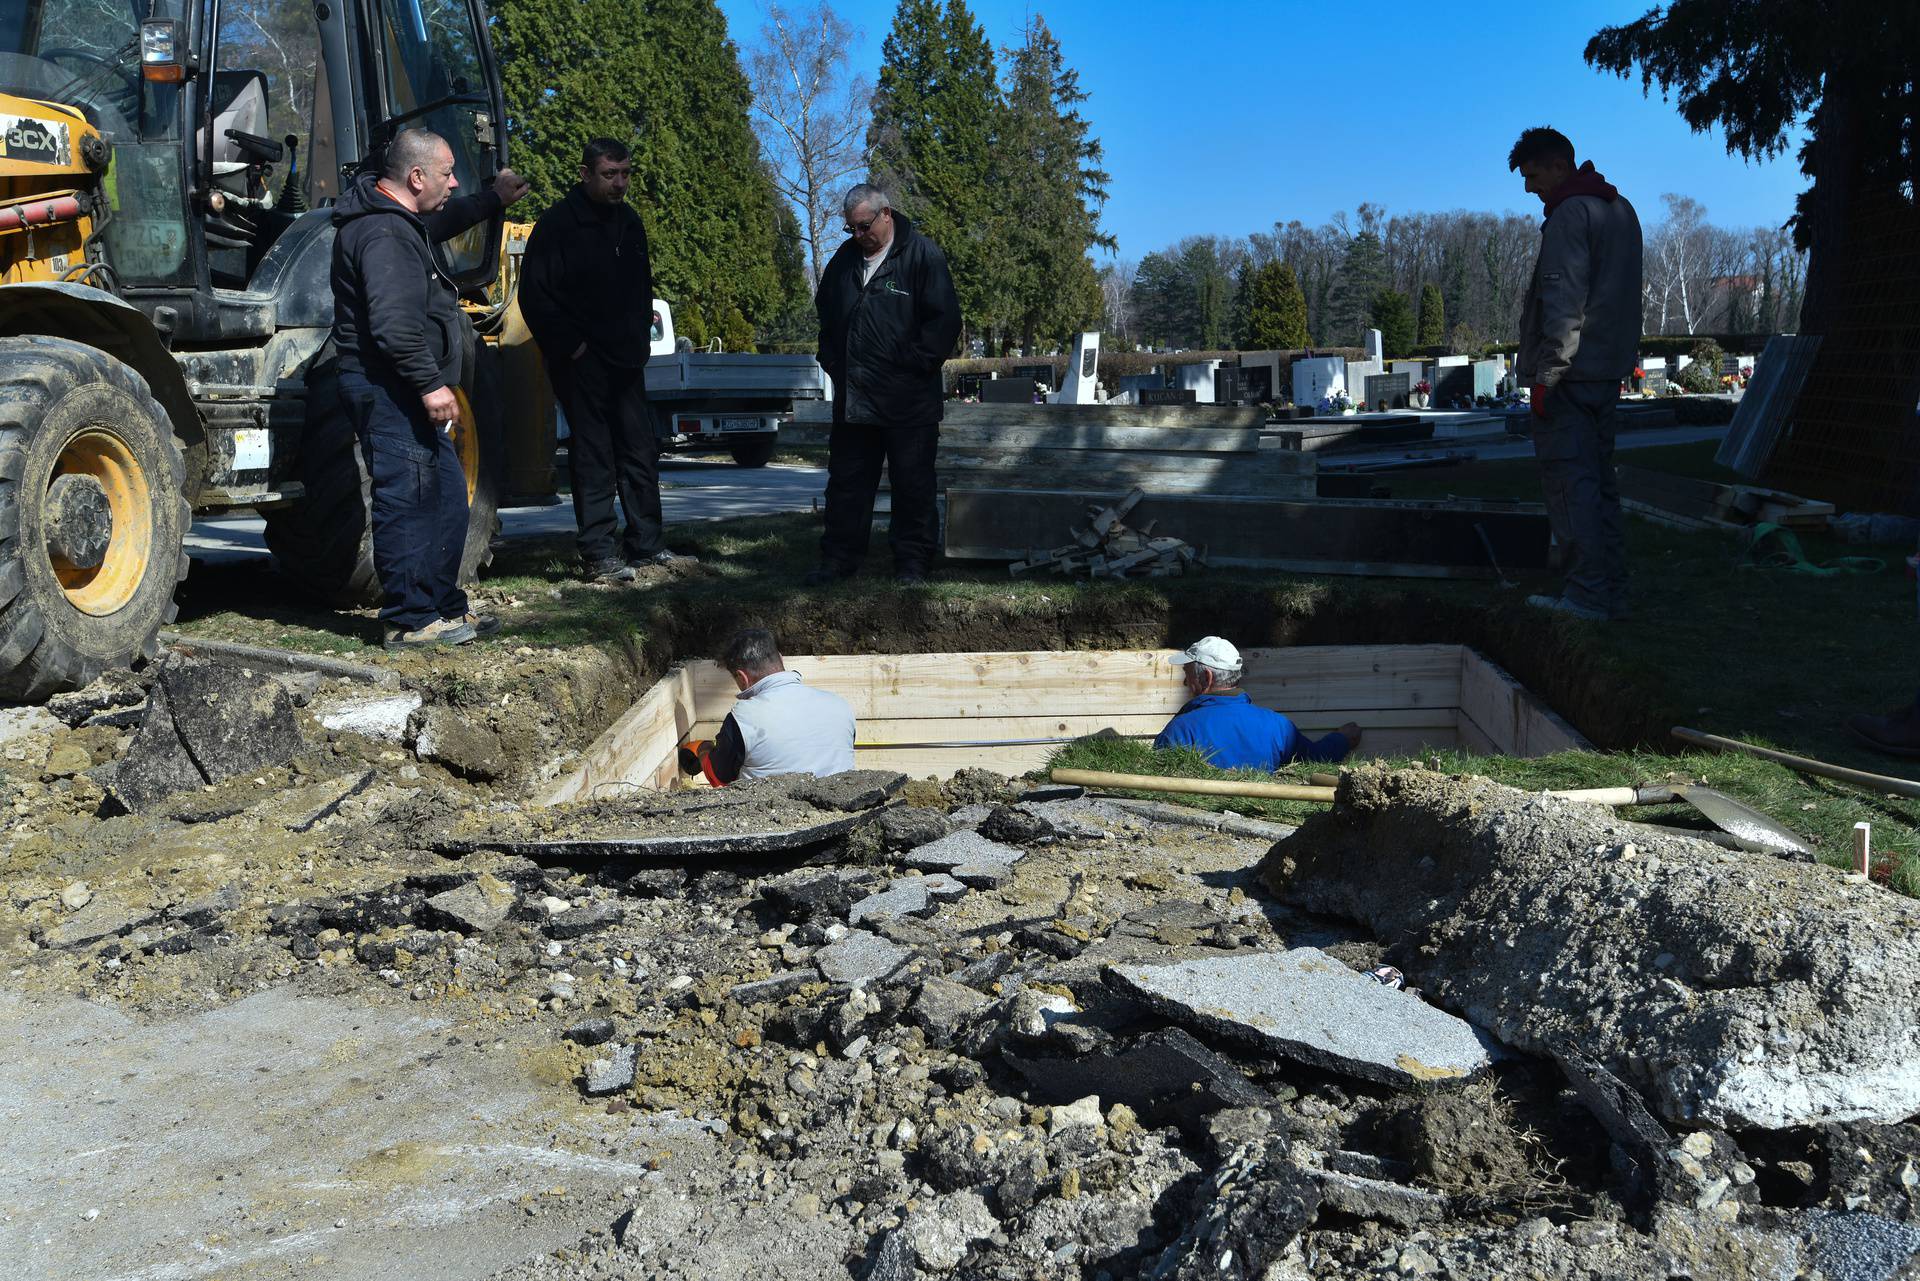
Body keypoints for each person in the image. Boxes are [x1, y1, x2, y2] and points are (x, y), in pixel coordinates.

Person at [330, 128, 529, 648]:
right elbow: (394, 325)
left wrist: (493, 200)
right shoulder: (384, 235)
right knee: (410, 499)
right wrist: (430, 385)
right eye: (446, 173)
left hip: (404, 386)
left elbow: (446, 218)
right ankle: (411, 619)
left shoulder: (402, 223)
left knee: (445, 496)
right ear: (416, 177)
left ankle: (444, 608)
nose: (454, 181)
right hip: (390, 387)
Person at [520, 137, 690, 584]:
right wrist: (571, 347)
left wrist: (638, 339)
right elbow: (534, 297)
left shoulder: (629, 223)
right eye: (609, 174)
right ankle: (599, 553)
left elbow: (640, 290)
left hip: (626, 359)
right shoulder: (558, 225)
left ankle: (647, 545)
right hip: (579, 360)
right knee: (594, 455)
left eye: (626, 173)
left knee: (640, 449)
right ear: (585, 174)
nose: (619, 183)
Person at [1510, 126, 1643, 622]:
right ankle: (1611, 588)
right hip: (1607, 371)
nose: (1529, 188)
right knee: (1600, 484)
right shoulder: (1620, 209)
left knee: (1571, 486)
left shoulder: (1570, 213)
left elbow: (1563, 304)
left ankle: (1586, 596)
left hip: (1570, 377)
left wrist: (1548, 377)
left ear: (1560, 166)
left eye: (1533, 174)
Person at [808, 184, 961, 587]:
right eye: (851, 229)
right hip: (856, 400)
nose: (858, 236)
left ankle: (912, 564)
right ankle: (838, 561)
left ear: (886, 214)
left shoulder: (922, 255)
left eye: (864, 227)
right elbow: (826, 318)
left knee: (912, 485)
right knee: (847, 484)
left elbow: (944, 323)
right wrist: (834, 364)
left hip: (908, 401)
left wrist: (912, 366)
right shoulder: (844, 261)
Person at [678, 629, 856, 785]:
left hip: (774, 815)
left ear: (742, 677)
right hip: (843, 813)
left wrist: (704, 750)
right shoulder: (839, 705)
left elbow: (719, 778)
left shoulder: (744, 718)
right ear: (780, 658)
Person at [1153, 637, 1361, 769]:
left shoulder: (1181, 729)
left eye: (1187, 675)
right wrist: (1342, 739)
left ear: (1206, 677)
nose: (1184, 682)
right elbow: (1315, 759)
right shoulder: (1277, 726)